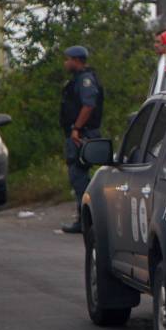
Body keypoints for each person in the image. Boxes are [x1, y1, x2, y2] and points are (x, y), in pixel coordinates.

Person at [60, 45, 104, 234]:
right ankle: (86, 217)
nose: (65, 63)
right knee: (78, 174)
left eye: (68, 59)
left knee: (78, 175)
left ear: (76, 60)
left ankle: (86, 219)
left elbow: (88, 105)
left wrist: (76, 128)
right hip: (80, 132)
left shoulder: (85, 80)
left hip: (83, 133)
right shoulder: (78, 79)